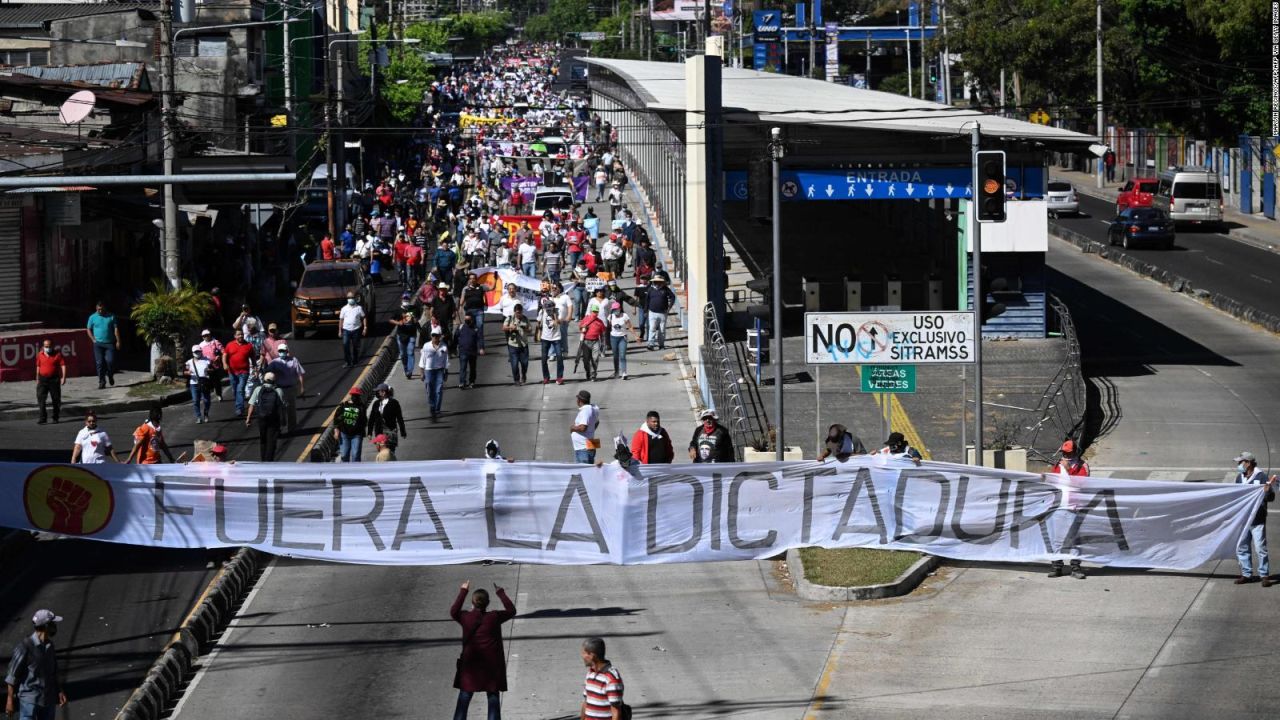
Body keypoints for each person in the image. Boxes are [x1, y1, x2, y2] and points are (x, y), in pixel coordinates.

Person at [450, 581, 517, 720]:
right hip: (491, 668)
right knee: (492, 698)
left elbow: (453, 611)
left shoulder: (466, 618)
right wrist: (501, 592)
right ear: (488, 603)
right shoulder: (494, 617)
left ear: (473, 603)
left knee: (464, 697)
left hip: (470, 667)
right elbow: (511, 610)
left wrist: (463, 591)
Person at [5, 609, 69, 720]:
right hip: (29, 702)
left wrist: (60, 691)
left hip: (48, 700)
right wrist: (9, 701)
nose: (55, 626)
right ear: (46, 626)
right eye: (53, 623)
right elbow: (12, 676)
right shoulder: (25, 647)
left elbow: (53, 672)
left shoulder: (50, 646)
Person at [1233, 451, 1278, 586]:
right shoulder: (1239, 478)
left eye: (1241, 462)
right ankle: (1246, 574)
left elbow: (1271, 498)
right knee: (1242, 547)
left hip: (1257, 519)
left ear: (1248, 463)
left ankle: (1264, 575)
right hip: (1243, 519)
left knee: (1260, 548)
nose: (1239, 465)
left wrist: (1267, 491)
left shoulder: (1262, 476)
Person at [1048, 439, 1090, 579]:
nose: (1065, 456)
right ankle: (1057, 566)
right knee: (1056, 538)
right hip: (1059, 507)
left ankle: (1075, 567)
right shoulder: (1057, 465)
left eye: (1068, 453)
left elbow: (1081, 484)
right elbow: (1052, 483)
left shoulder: (1082, 466)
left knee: (1075, 538)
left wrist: (1067, 470)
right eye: (1064, 453)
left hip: (1075, 507)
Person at [580, 636, 625, 720]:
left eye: (584, 653)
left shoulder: (611, 678)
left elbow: (616, 712)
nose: (582, 656)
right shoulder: (590, 674)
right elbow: (586, 702)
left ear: (592, 655)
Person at [245, 371, 285, 461]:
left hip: (261, 418)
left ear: (264, 379)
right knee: (271, 440)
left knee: (263, 439)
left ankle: (263, 460)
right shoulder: (278, 391)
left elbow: (251, 405)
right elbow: (282, 407)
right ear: (274, 381)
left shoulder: (258, 389)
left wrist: (248, 418)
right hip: (273, 419)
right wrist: (283, 421)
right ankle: (269, 461)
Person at [265, 343, 305, 433]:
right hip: (279, 389)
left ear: (287, 351)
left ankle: (292, 429)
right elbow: (267, 374)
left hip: (291, 388)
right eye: (280, 351)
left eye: (283, 351)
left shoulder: (294, 360)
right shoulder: (275, 362)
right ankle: (280, 427)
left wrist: (302, 388)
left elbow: (300, 374)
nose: (282, 352)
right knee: (280, 410)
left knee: (291, 410)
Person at [85, 301, 120, 389]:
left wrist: (118, 341)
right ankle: (102, 381)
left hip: (109, 343)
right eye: (98, 309)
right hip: (98, 344)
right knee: (99, 363)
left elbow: (116, 329)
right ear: (96, 308)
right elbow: (88, 329)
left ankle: (110, 374)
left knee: (110, 361)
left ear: (104, 308)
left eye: (101, 309)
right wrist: (93, 339)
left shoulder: (111, 316)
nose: (100, 311)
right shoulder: (92, 317)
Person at [223, 328, 256, 417]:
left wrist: (255, 368)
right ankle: (239, 404)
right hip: (232, 372)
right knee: (235, 390)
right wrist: (225, 364)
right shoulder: (230, 345)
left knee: (240, 390)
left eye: (241, 334)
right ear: (235, 336)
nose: (240, 336)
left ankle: (239, 408)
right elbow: (225, 355)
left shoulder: (248, 345)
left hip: (244, 371)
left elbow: (253, 357)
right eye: (238, 334)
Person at [33, 339, 66, 426]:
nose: (47, 348)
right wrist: (37, 377)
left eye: (49, 346)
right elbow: (38, 366)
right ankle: (42, 418)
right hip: (42, 379)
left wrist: (63, 377)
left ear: (52, 346)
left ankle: (55, 417)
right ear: (43, 346)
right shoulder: (40, 354)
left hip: (54, 379)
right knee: (41, 398)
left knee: (56, 399)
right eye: (46, 346)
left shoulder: (57, 354)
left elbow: (63, 365)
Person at [420, 329, 450, 421]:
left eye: (436, 335)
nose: (435, 337)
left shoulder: (444, 346)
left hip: (439, 371)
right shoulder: (426, 346)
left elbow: (446, 360)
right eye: (433, 335)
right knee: (430, 390)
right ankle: (432, 406)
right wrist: (422, 373)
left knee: (438, 391)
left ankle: (437, 410)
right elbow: (423, 360)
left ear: (440, 336)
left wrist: (446, 372)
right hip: (429, 371)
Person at [367, 383, 407, 451]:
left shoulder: (394, 403)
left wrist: (403, 432)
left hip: (391, 431)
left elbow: (399, 418)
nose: (377, 393)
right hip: (379, 432)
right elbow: (371, 419)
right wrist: (369, 433)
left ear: (383, 392)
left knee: (390, 451)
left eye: (378, 391)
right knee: (381, 451)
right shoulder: (376, 403)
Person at [333, 388, 368, 463]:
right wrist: (336, 431)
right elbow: (336, 420)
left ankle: (355, 473)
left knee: (355, 455)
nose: (356, 397)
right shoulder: (343, 406)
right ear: (351, 395)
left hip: (357, 434)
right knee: (344, 455)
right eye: (354, 395)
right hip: (344, 434)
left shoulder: (361, 407)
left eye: (357, 395)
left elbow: (364, 420)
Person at [536, 298, 565, 384]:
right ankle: (546, 377)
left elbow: (559, 322)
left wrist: (555, 315)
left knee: (559, 357)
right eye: (547, 309)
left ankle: (559, 377)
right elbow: (538, 322)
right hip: (545, 338)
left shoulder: (558, 311)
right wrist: (538, 332)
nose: (548, 311)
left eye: (550, 309)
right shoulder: (542, 312)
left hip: (556, 338)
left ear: (553, 307)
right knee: (544, 358)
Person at [607, 302, 637, 380]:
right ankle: (616, 372)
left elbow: (630, 326)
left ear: (619, 309)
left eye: (616, 309)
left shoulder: (625, 316)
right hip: (613, 338)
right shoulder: (610, 316)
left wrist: (635, 336)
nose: (615, 311)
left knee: (622, 355)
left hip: (622, 338)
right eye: (613, 310)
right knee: (615, 356)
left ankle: (624, 373)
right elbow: (608, 327)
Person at [502, 303, 531, 385]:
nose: (519, 314)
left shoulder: (525, 319)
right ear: (514, 312)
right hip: (513, 345)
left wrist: (526, 328)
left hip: (523, 344)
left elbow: (530, 329)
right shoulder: (510, 318)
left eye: (520, 312)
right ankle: (516, 380)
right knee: (514, 364)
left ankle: (524, 375)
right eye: (517, 312)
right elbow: (503, 328)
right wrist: (510, 327)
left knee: (524, 363)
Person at [644, 275, 676, 350]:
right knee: (652, 328)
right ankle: (650, 344)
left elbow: (673, 297)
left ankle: (661, 345)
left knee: (662, 330)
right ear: (654, 281)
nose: (657, 283)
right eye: (656, 281)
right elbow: (647, 300)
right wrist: (646, 311)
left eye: (659, 281)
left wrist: (669, 307)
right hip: (652, 312)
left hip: (663, 313)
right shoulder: (650, 289)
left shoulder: (665, 289)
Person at [184, 344, 212, 424]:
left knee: (206, 400)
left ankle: (206, 413)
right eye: (196, 351)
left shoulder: (207, 360)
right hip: (194, 383)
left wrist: (209, 370)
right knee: (195, 400)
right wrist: (188, 372)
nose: (198, 353)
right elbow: (184, 372)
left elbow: (212, 369)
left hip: (204, 382)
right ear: (193, 352)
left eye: (199, 351)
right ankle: (199, 417)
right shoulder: (189, 362)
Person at [571, 390, 600, 464]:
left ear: (579, 400)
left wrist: (572, 428)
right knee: (588, 471)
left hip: (583, 448)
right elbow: (597, 422)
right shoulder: (593, 408)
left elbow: (583, 428)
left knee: (583, 473)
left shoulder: (586, 410)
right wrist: (591, 431)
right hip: (589, 445)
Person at [339, 291, 367, 368]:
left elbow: (363, 317)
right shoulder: (344, 309)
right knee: (345, 345)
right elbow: (341, 319)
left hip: (356, 330)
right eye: (349, 297)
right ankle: (348, 361)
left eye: (352, 297)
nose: (350, 299)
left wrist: (365, 327)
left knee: (355, 346)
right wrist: (340, 330)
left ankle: (355, 361)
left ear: (355, 298)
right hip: (346, 330)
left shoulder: (359, 308)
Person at [577, 310, 607, 381]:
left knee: (595, 358)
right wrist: (583, 328)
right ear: (591, 312)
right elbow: (580, 328)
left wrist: (603, 344)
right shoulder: (586, 319)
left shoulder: (600, 322)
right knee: (586, 360)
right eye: (594, 311)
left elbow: (602, 334)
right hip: (586, 341)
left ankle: (593, 374)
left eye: (596, 312)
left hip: (595, 341)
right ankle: (588, 372)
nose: (595, 313)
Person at [456, 314, 484, 389]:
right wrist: (453, 348)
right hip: (463, 351)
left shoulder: (476, 328)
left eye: (468, 320)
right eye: (466, 320)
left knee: (472, 368)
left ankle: (472, 381)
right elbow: (456, 337)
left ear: (472, 320)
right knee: (463, 367)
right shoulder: (461, 327)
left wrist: (481, 348)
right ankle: (462, 382)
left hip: (472, 352)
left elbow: (480, 338)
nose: (467, 321)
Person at [390, 309, 420, 379]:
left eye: (407, 298)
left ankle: (409, 371)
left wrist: (414, 319)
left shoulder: (413, 308)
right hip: (401, 335)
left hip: (411, 334)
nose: (406, 300)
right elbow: (391, 320)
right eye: (405, 298)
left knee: (410, 352)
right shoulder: (398, 310)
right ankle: (406, 369)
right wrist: (398, 323)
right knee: (403, 354)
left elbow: (417, 318)